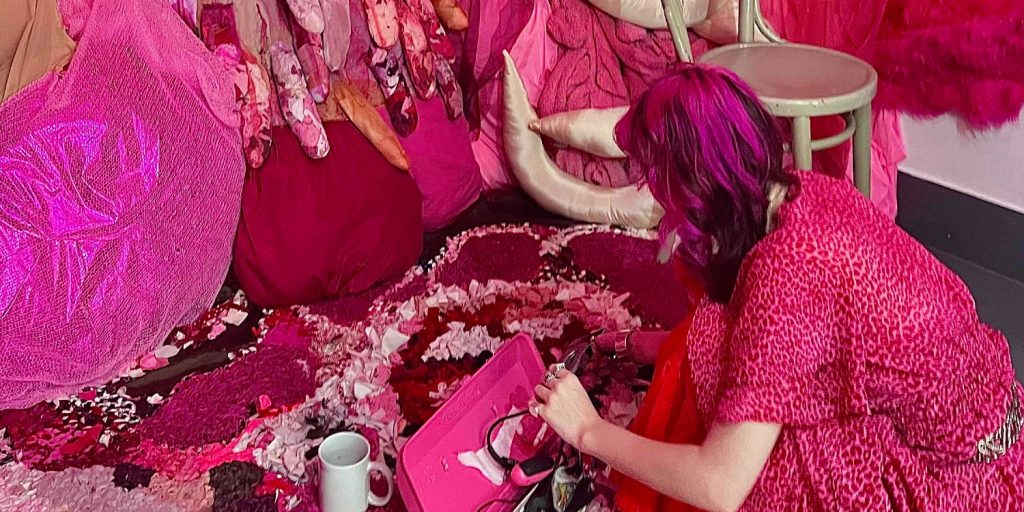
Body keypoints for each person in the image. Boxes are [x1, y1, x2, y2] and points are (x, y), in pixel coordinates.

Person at [530, 64, 1024, 512]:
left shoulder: (786, 277)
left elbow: (720, 486)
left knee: (765, 460)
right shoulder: (803, 190)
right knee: (712, 332)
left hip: (954, 468)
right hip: (978, 399)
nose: (653, 195)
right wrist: (645, 345)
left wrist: (587, 429)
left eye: (656, 180)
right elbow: (767, 326)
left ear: (697, 185)